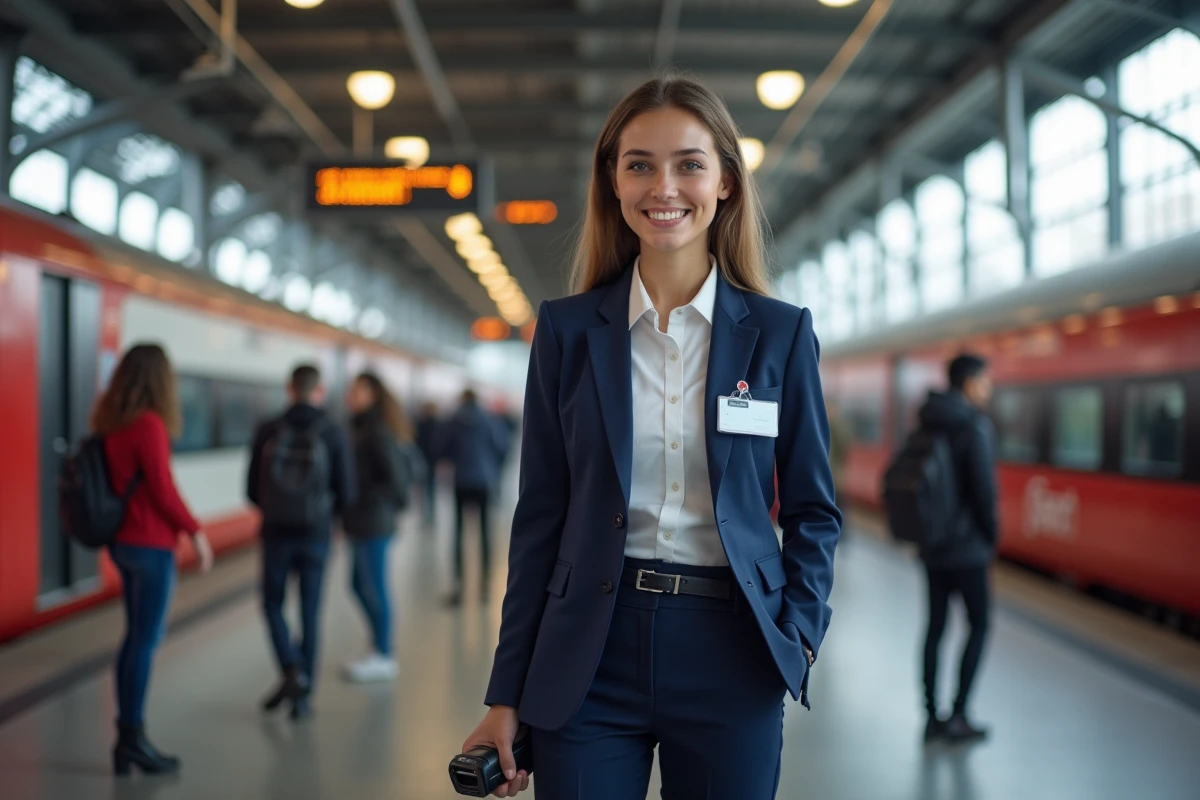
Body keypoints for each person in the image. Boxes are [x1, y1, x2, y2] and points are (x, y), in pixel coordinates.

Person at [461, 77, 841, 798]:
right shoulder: (569, 333)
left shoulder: (780, 336)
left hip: (734, 649)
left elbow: (814, 510)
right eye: (639, 164)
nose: (663, 186)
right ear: (612, 180)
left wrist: (800, 631)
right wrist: (505, 691)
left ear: (726, 180)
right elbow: (540, 519)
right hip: (587, 654)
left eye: (689, 163)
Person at [94, 343, 214, 775]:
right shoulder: (149, 425)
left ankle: (127, 739)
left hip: (123, 545)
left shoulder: (112, 421)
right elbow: (163, 491)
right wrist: (196, 532)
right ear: (162, 380)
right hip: (150, 546)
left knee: (133, 640)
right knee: (145, 641)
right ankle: (133, 739)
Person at [248, 364, 355, 719]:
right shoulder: (332, 431)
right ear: (319, 390)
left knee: (271, 604)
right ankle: (303, 695)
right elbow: (347, 491)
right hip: (315, 535)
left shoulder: (268, 428)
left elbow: (251, 490)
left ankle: (290, 668)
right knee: (310, 611)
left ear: (289, 388)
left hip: (276, 534)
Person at [916, 354, 997, 744]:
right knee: (979, 623)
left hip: (932, 546)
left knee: (935, 628)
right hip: (967, 550)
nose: (988, 389)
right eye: (985, 381)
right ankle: (960, 712)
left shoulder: (928, 421)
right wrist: (991, 536)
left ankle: (932, 717)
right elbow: (984, 493)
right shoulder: (973, 427)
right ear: (969, 384)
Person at [341, 371, 415, 683]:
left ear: (372, 394)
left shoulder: (375, 430)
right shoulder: (360, 427)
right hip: (362, 521)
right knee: (359, 584)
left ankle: (383, 654)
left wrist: (367, 501)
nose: (351, 396)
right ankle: (378, 646)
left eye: (357, 391)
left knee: (375, 586)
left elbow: (397, 480)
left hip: (373, 521)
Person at [440, 389, 510, 606]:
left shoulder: (453, 420)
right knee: (485, 533)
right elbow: (502, 447)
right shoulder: (488, 420)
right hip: (484, 482)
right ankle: (485, 588)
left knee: (459, 533)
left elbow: (442, 447)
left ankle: (459, 587)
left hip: (461, 481)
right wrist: (494, 470)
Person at [415, 402, 441, 526]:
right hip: (432, 461)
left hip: (422, 460)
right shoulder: (438, 425)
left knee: (424, 489)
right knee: (430, 490)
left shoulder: (421, 424)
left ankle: (426, 515)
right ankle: (430, 514)